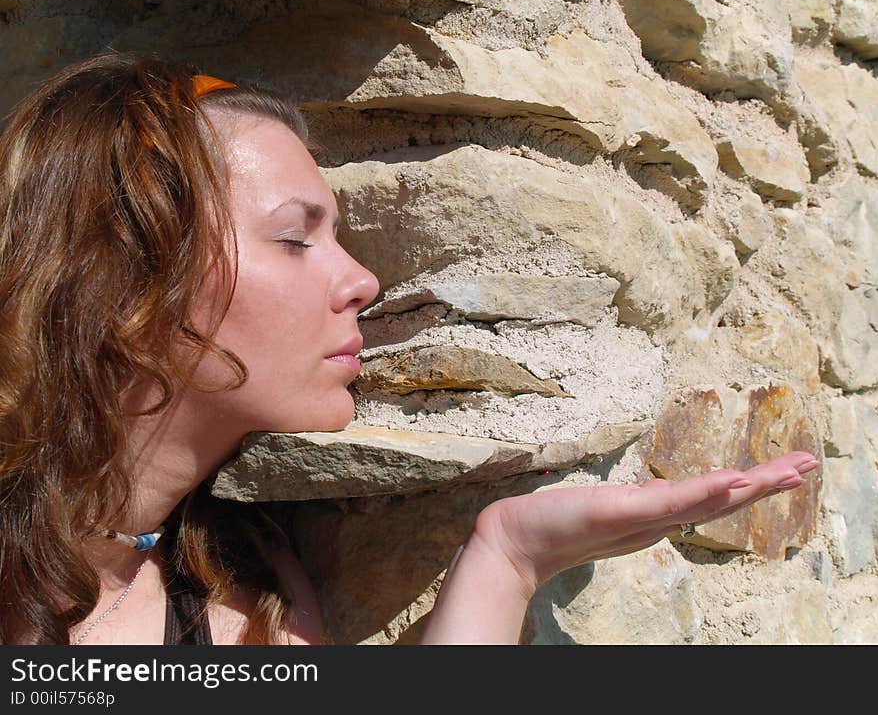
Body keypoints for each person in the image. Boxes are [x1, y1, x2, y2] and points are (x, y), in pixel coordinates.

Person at [0, 52, 819, 645]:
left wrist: (508, 557)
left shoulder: (243, 601)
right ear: (119, 276)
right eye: (295, 239)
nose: (360, 281)